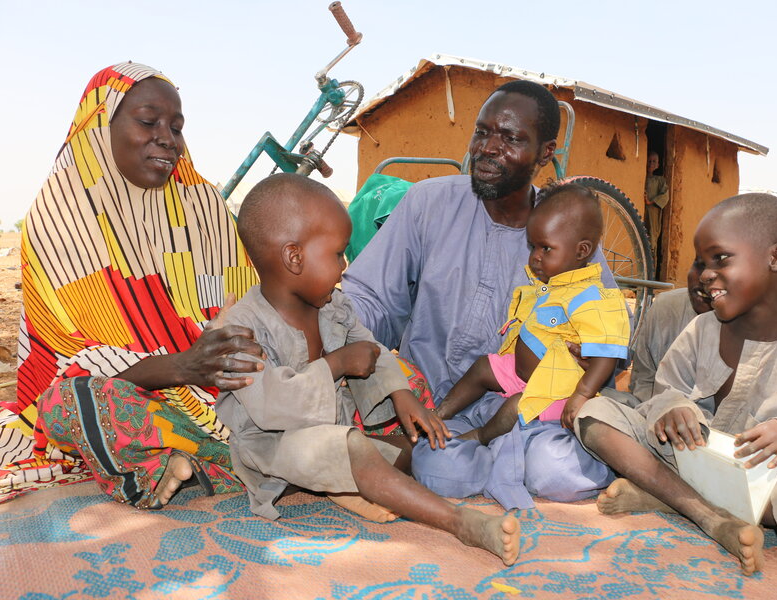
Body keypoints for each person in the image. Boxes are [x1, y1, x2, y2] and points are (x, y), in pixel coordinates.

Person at [342, 80, 622, 509]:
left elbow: (610, 319)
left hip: (523, 411)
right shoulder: (428, 203)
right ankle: (491, 466)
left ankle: (500, 460)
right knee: (439, 469)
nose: (488, 148)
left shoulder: (567, 234)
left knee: (558, 472)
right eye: (482, 132)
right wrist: (334, 328)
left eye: (510, 138)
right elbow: (370, 297)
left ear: (545, 153)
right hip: (433, 404)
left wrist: (592, 350)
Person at [215, 173, 520, 566]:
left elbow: (373, 348)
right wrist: (336, 363)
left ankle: (344, 487)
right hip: (272, 455)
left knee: (416, 445)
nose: (344, 267)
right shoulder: (238, 331)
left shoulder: (333, 306)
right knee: (354, 448)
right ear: (294, 257)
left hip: (333, 437)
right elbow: (270, 407)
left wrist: (401, 394)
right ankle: (461, 522)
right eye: (338, 253)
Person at [573, 193, 777, 575]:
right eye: (703, 263)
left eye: (720, 259)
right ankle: (709, 516)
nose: (705, 275)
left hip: (768, 478)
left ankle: (670, 499)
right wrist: (675, 409)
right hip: (685, 455)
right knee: (594, 412)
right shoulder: (701, 329)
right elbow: (666, 387)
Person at [0, 63, 266, 508]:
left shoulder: (202, 205)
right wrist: (183, 366)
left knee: (366, 371)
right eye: (148, 122)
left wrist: (235, 344)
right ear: (103, 125)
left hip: (221, 392)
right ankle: (246, 460)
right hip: (134, 392)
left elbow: (244, 307)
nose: (167, 138)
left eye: (176, 127)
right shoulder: (62, 209)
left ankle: (198, 460)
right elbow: (68, 358)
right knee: (72, 404)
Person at [439, 181, 629, 446]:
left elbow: (606, 354)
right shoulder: (551, 285)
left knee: (516, 408)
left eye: (546, 248)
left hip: (554, 390)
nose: (535, 257)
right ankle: (440, 413)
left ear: (582, 251)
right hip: (518, 373)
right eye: (532, 247)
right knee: (483, 366)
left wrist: (582, 393)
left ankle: (481, 437)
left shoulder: (592, 299)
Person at [627, 259, 711, 403]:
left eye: (722, 264)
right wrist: (659, 413)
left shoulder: (756, 329)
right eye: (699, 263)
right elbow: (643, 381)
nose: (704, 276)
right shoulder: (666, 307)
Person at [644, 151, 669, 264]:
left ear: (658, 165)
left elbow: (665, 196)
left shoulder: (660, 181)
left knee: (651, 241)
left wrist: (650, 202)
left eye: (654, 161)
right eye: (649, 161)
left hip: (652, 216)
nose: (651, 163)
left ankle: (651, 274)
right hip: (642, 213)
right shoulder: (641, 177)